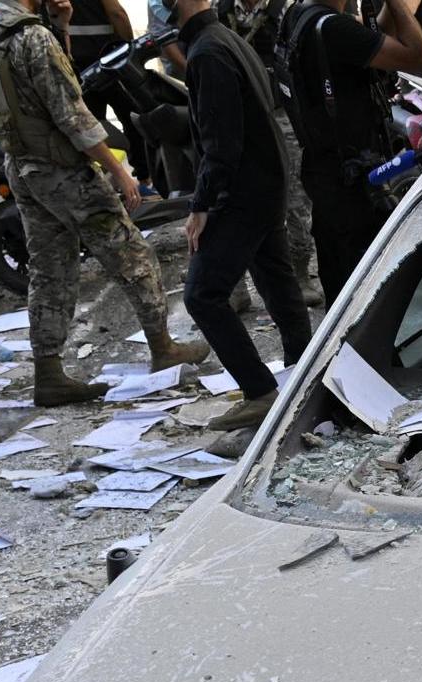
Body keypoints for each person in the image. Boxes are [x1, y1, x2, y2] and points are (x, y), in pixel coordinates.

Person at [0, 0, 209, 406]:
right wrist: (118, 169)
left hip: (22, 165)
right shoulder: (32, 37)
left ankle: (49, 372)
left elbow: (30, 89)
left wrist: (62, 25)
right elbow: (69, 110)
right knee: (133, 254)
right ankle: (164, 347)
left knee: (49, 267)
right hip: (61, 167)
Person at [169, 0, 311, 431]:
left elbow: (221, 142)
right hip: (264, 184)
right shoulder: (222, 39)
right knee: (277, 283)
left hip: (242, 193)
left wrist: (201, 206)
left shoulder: (208, 51)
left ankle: (260, 391)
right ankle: (305, 373)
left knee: (202, 295)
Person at [279, 0, 422, 303]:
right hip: (353, 182)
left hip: (324, 171)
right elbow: (417, 56)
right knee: (368, 292)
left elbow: (368, 42)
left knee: (340, 279)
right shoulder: (335, 29)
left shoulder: (299, 15)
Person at [215, 0, 323, 304]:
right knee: (231, 197)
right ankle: (235, 285)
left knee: (296, 197)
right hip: (236, 115)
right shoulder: (220, 9)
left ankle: (299, 274)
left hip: (281, 113)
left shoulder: (286, 8)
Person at [61, 0, 154, 188]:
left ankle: (101, 180)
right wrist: (129, 47)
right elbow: (116, 13)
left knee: (89, 126)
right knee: (133, 118)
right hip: (107, 60)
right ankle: (144, 177)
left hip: (75, 65)